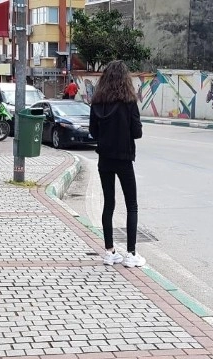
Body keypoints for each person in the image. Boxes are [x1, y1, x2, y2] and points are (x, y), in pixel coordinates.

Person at [89, 60, 144, 268]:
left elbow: (93, 132)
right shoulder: (129, 102)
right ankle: (131, 254)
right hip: (124, 159)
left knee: (108, 204)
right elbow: (137, 133)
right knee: (132, 205)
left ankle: (110, 251)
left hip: (104, 160)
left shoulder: (97, 102)